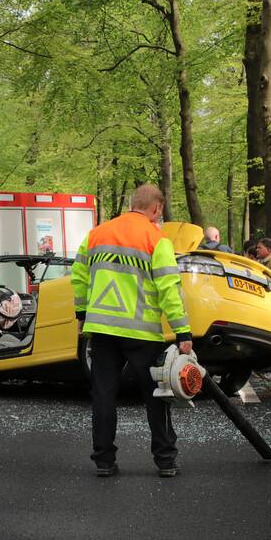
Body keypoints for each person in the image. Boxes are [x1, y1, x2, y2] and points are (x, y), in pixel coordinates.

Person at [71, 184, 192, 479]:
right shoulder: (156, 239)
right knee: (157, 395)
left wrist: (82, 313)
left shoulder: (96, 234)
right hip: (141, 333)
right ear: (157, 208)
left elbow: (78, 276)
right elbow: (168, 289)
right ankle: (165, 461)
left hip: (101, 330)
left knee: (103, 395)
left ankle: (103, 461)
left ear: (132, 203)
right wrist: (182, 331)